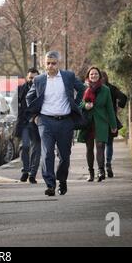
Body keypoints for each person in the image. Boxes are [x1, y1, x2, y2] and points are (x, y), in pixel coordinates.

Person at [26, 51, 85, 196]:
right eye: (48, 63)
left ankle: (62, 179)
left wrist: (75, 105)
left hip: (65, 121)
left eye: (53, 63)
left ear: (59, 63)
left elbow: (82, 89)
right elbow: (29, 97)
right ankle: (50, 185)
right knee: (47, 154)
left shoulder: (68, 76)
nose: (50, 66)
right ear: (44, 64)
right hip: (45, 121)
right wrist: (35, 116)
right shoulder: (39, 80)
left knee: (64, 156)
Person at [77, 67, 117, 182]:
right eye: (91, 74)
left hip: (101, 122)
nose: (93, 76)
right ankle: (91, 172)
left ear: (99, 76)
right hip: (88, 123)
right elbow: (79, 104)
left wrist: (113, 125)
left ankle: (101, 171)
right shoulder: (84, 89)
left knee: (100, 146)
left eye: (95, 74)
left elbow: (110, 108)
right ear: (88, 77)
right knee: (89, 148)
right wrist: (85, 106)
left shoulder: (105, 90)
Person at [11, 67, 41, 184]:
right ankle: (25, 171)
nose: (32, 80)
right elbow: (13, 104)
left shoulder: (42, 88)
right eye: (30, 77)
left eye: (35, 78)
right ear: (27, 77)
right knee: (25, 147)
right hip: (24, 122)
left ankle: (32, 174)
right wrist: (17, 115)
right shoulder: (20, 89)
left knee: (37, 149)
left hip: (37, 122)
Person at [101, 71, 127, 178]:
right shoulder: (112, 88)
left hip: (101, 119)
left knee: (101, 144)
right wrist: (119, 105)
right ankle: (107, 164)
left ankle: (102, 166)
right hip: (111, 119)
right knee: (109, 144)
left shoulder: (97, 89)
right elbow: (123, 97)